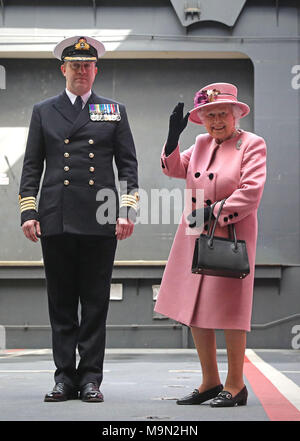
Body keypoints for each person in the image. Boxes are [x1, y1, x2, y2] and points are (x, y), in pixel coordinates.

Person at [18, 36, 139, 402]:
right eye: (75, 65)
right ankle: (63, 378)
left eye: (87, 66)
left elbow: (128, 166)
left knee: (95, 302)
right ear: (63, 69)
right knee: (61, 302)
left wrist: (127, 209)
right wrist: (29, 210)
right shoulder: (44, 110)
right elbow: (32, 165)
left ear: (95, 70)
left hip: (100, 219)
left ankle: (90, 379)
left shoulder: (113, 110)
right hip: (56, 217)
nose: (81, 71)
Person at [154, 83, 266, 407]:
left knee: (231, 311)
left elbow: (251, 191)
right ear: (201, 120)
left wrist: (214, 210)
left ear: (235, 115)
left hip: (231, 234)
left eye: (222, 114)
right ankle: (210, 381)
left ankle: (235, 385)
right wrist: (173, 140)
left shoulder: (252, 144)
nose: (216, 120)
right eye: (209, 115)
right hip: (196, 230)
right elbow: (175, 168)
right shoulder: (202, 142)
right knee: (194, 308)